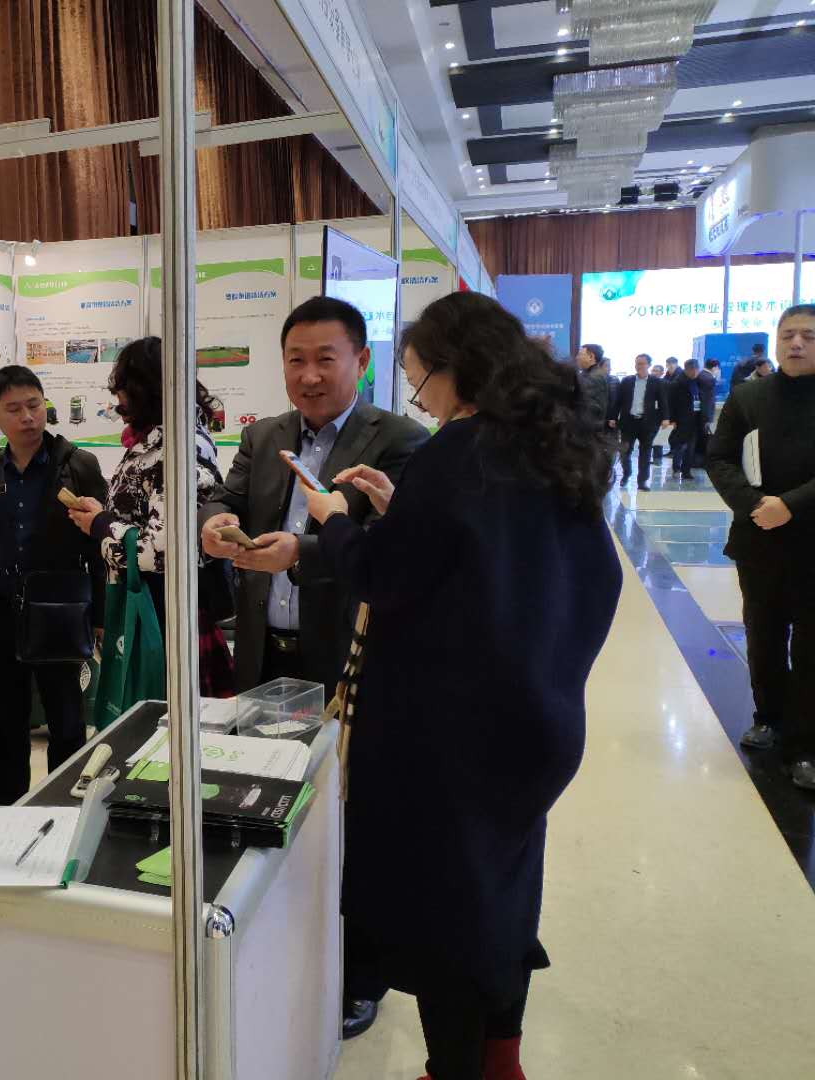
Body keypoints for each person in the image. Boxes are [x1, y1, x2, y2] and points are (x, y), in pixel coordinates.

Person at [256, 291, 619, 1080]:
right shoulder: (554, 445)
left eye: (420, 379)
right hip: (537, 723)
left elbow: (384, 579)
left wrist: (333, 518)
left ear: (456, 370)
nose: (420, 398)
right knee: (501, 897)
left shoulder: (457, 450)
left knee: (445, 919)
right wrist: (402, 512)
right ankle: (500, 1057)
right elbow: (507, 566)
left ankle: (455, 1068)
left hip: (448, 739)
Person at [197, 295, 427, 1042]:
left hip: (351, 665)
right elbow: (225, 497)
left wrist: (304, 551)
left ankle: (360, 975)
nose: (309, 374)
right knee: (270, 807)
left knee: (354, 826)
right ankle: (284, 943)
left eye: (326, 358)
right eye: (295, 359)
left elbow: (394, 551)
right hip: (267, 660)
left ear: (361, 361)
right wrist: (216, 522)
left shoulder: (400, 441)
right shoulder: (263, 435)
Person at [0, 366, 108, 805]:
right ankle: (12, 814)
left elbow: (100, 547)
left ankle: (67, 810)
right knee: (7, 724)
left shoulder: (77, 466)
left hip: (59, 614)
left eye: (34, 405)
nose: (27, 417)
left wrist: (99, 615)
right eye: (14, 409)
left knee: (67, 722)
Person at [66, 337, 236, 697]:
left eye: (123, 390)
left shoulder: (179, 447)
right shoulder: (154, 442)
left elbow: (162, 551)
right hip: (147, 605)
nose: (118, 402)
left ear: (146, 389)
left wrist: (100, 525)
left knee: (165, 717)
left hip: (165, 612)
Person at [707, 305, 815, 791]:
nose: (796, 343)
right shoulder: (748, 397)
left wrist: (790, 504)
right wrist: (755, 506)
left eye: (808, 335)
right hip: (759, 538)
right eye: (788, 334)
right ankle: (768, 717)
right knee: (763, 633)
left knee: (811, 645)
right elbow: (720, 458)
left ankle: (806, 745)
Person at [614, 353, 670, 490]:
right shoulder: (627, 381)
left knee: (645, 453)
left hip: (647, 422)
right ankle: (626, 474)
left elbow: (663, 401)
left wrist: (665, 418)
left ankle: (642, 481)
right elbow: (618, 401)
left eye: (641, 363)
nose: (638, 366)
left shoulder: (656, 382)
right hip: (629, 422)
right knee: (625, 451)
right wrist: (613, 417)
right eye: (636, 363)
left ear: (648, 365)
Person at [669, 359, 714, 480]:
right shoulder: (677, 383)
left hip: (698, 418)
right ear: (686, 370)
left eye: (696, 370)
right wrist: (672, 419)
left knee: (691, 446)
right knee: (680, 445)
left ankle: (686, 471)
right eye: (691, 370)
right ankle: (676, 468)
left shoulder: (702, 381)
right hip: (682, 419)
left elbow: (709, 401)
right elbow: (671, 402)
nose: (694, 372)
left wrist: (708, 418)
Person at [575, 343, 614, 435]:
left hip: (588, 430)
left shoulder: (594, 377)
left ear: (591, 357)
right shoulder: (586, 374)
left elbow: (586, 406)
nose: (577, 358)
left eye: (580, 354)